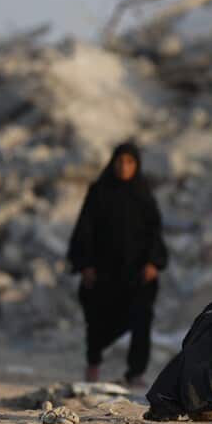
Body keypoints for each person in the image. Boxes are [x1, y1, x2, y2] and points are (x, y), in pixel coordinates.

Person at [68, 142, 169, 386]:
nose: (124, 167)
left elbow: (154, 232)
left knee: (141, 316)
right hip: (103, 271)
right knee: (97, 319)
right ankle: (93, 363)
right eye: (120, 161)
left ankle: (135, 372)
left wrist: (153, 262)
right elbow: (85, 228)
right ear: (112, 163)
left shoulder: (143, 195)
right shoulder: (99, 192)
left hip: (137, 272)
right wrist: (85, 264)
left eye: (129, 162)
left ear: (137, 165)